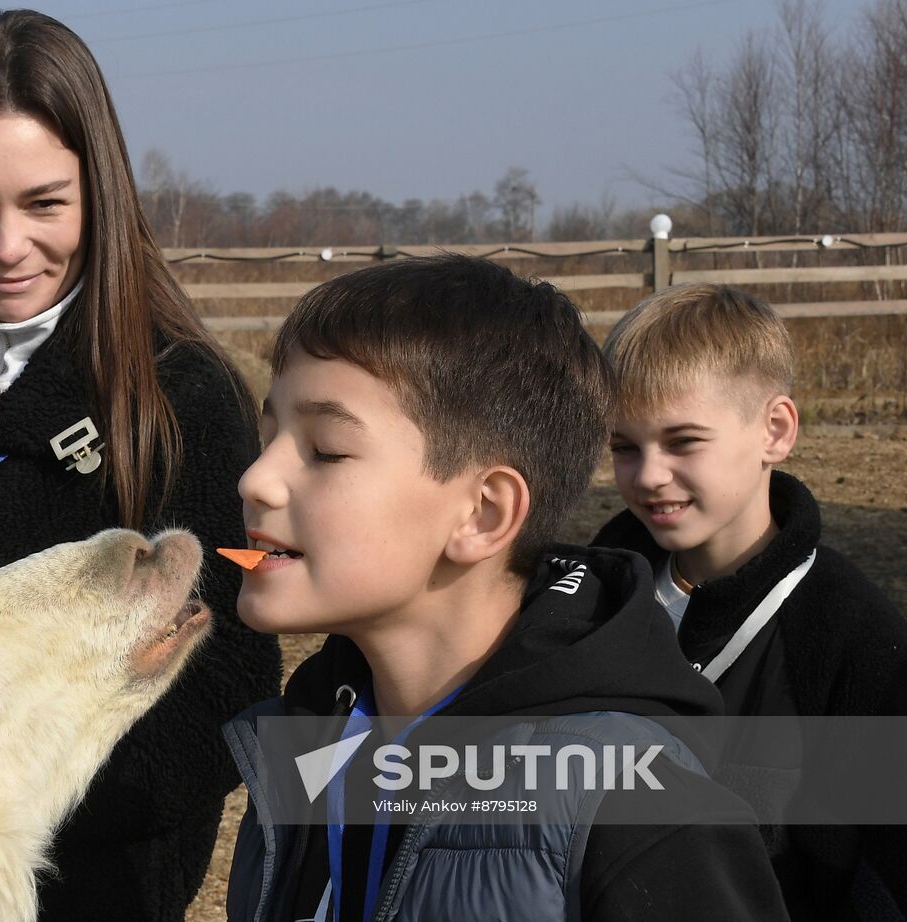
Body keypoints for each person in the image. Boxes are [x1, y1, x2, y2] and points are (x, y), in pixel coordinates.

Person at [223, 255, 789, 921]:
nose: (256, 480)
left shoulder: (644, 815)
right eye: (267, 438)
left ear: (483, 513)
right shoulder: (303, 752)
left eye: (325, 449)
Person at [0, 11, 282, 921]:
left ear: (100, 190)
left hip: (92, 891)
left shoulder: (184, 395)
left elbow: (227, 689)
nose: (8, 246)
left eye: (45, 203)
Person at [591, 283, 907, 919]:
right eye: (625, 446)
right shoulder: (591, 601)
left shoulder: (858, 642)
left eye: (683, 441)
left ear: (775, 430)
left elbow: (882, 876)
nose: (648, 474)